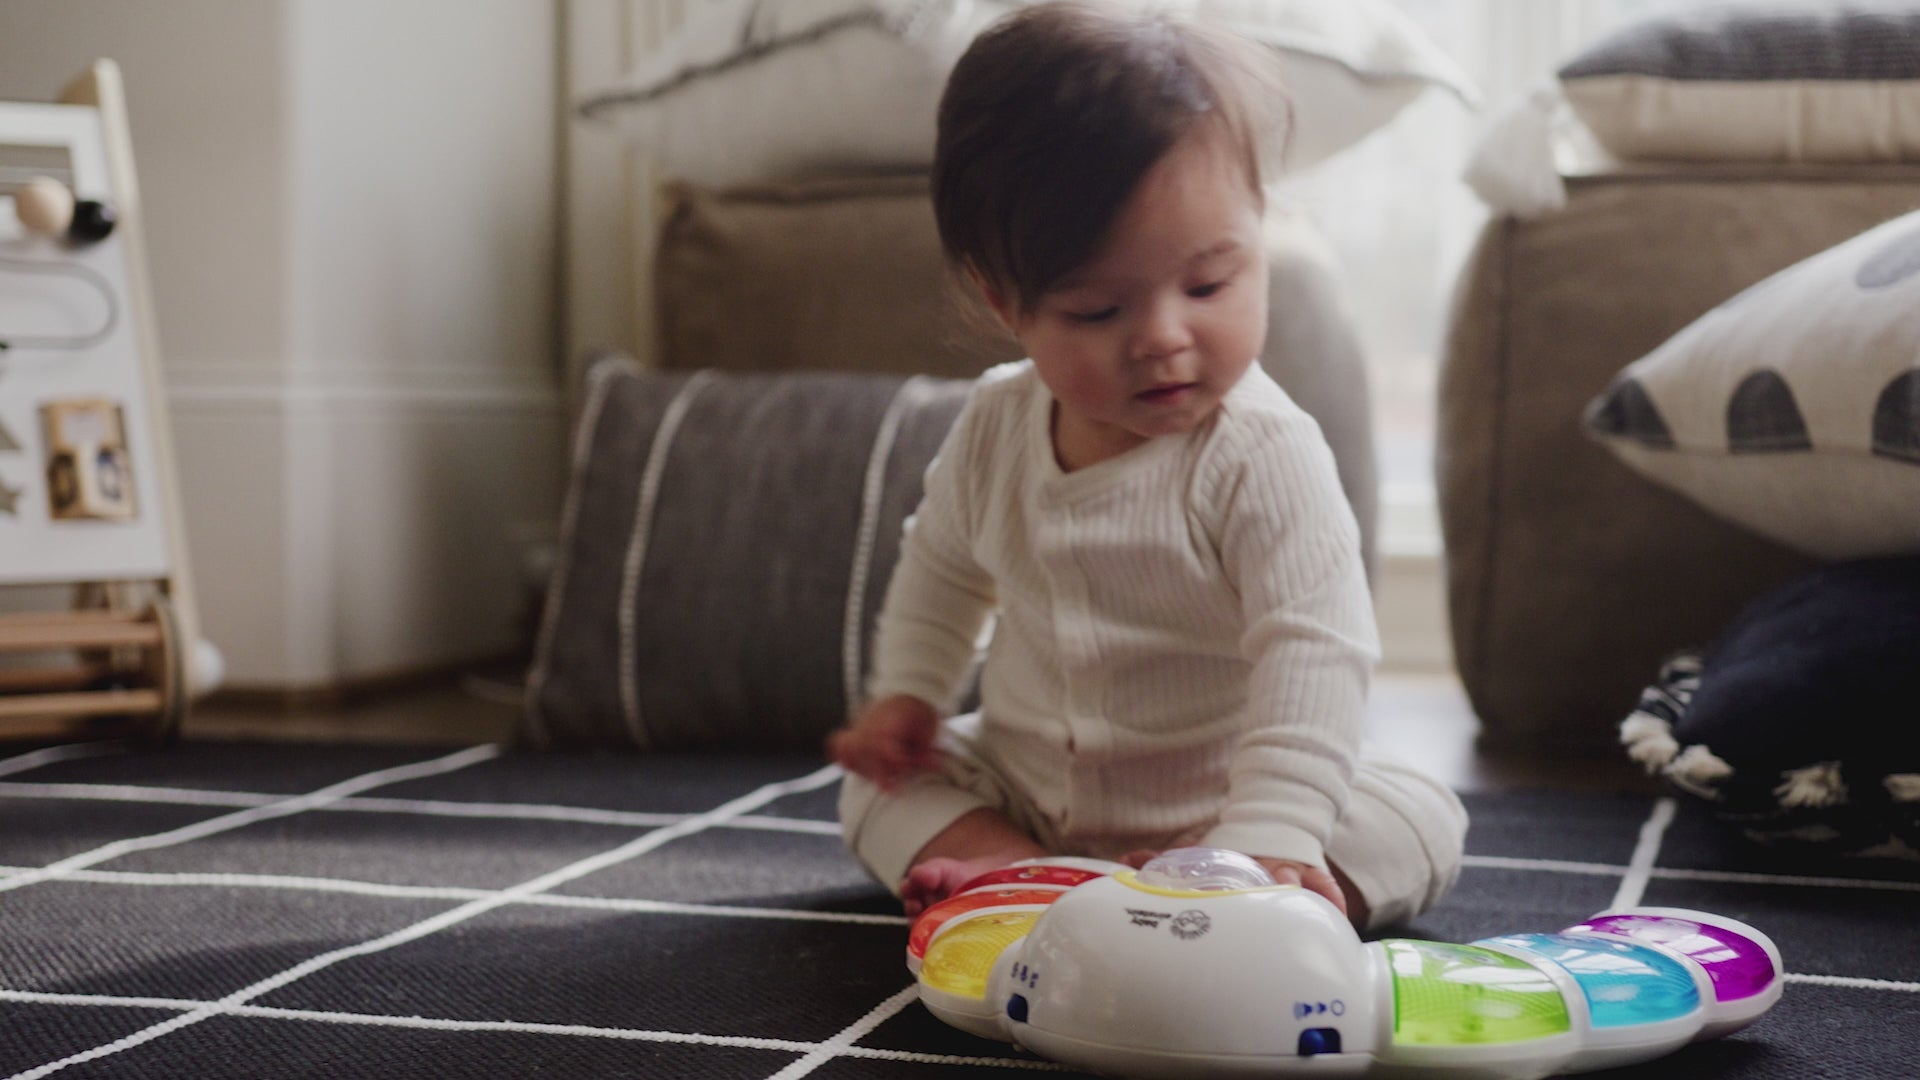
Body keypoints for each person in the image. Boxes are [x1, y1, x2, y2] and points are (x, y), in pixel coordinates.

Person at [829, 1, 1466, 929]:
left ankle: (1212, 892)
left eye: (1210, 285)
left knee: (1416, 818)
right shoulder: (995, 427)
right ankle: (1023, 875)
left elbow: (1314, 649)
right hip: (1026, 784)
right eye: (1097, 310)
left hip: (1226, 802)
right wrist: (908, 697)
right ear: (1005, 301)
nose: (1165, 338)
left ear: (1260, 232)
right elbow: (943, 568)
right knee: (871, 796)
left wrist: (1271, 833)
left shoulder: (1261, 452)